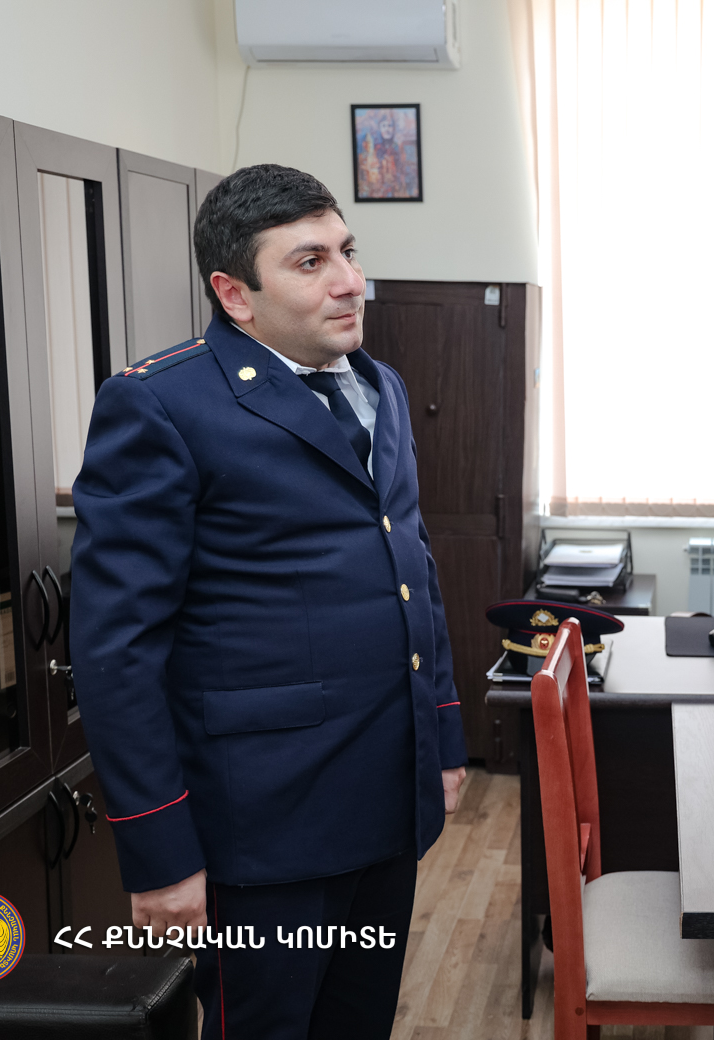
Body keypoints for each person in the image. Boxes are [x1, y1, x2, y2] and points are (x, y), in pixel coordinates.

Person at [70, 164, 467, 1039]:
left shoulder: (381, 385)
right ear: (235, 294)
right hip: (261, 830)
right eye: (311, 262)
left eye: (349, 252)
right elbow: (115, 650)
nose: (350, 281)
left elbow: (413, 568)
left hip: (386, 801)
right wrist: (159, 851)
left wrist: (442, 738)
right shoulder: (162, 404)